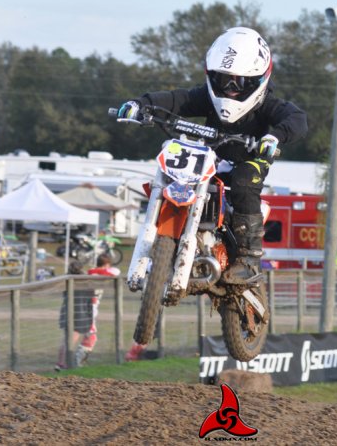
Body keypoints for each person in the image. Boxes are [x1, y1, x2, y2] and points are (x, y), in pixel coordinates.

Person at [117, 27, 308, 285]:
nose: (230, 88)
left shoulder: (267, 104)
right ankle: (174, 242)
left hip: (250, 159)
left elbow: (296, 118)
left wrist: (274, 137)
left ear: (257, 79)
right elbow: (177, 99)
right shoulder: (206, 97)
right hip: (211, 157)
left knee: (244, 182)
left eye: (239, 81)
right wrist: (141, 104)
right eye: (223, 79)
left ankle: (248, 260)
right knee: (177, 176)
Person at [56, 287, 103, 370]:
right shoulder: (81, 287)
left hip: (81, 312)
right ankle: (64, 364)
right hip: (79, 314)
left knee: (70, 340)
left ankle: (64, 363)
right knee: (71, 339)